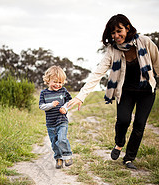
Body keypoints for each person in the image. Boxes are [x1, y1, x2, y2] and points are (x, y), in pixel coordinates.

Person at [67, 14, 159, 170]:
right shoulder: (112, 51)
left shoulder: (145, 42)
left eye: (119, 31)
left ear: (127, 28)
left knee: (139, 125)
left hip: (146, 91)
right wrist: (81, 96)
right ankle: (119, 143)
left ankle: (129, 158)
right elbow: (97, 73)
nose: (116, 36)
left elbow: (157, 63)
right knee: (123, 120)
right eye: (112, 32)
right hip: (126, 92)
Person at [39, 65, 73, 169]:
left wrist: (65, 108)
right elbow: (41, 106)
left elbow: (69, 101)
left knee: (61, 139)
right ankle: (58, 158)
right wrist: (51, 105)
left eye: (60, 82)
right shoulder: (44, 93)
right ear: (48, 80)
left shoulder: (63, 91)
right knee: (54, 143)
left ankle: (67, 155)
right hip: (50, 123)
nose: (58, 85)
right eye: (55, 82)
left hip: (61, 120)